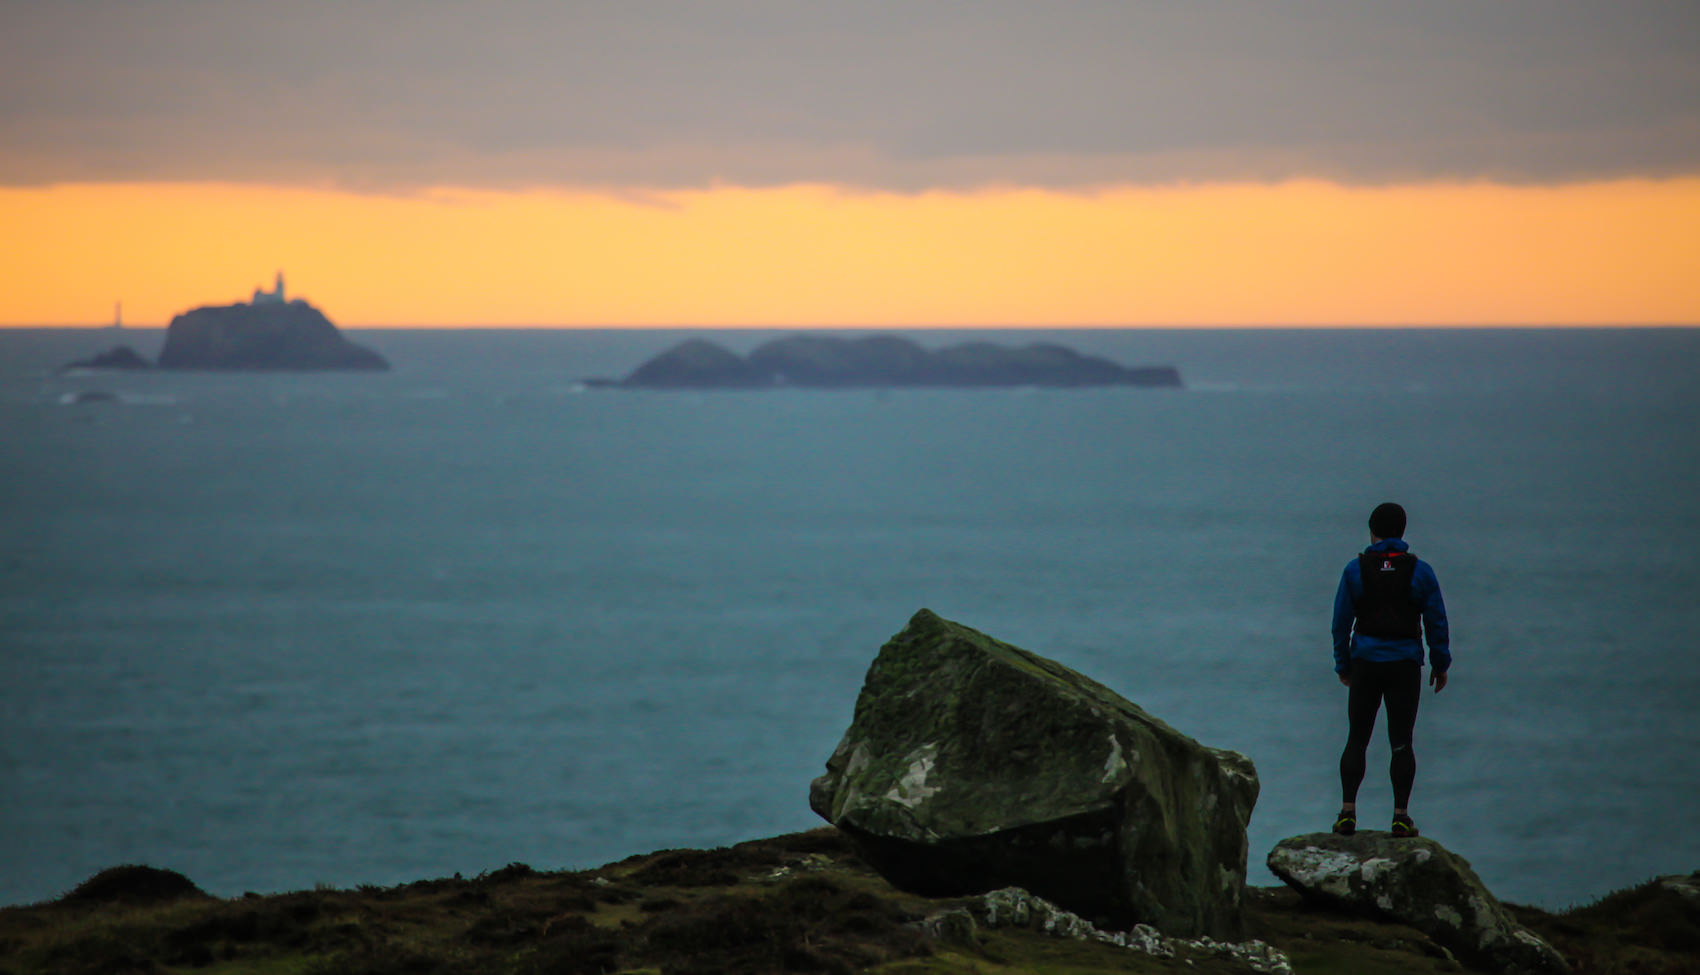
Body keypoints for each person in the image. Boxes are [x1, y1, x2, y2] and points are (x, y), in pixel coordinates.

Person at [1330, 502, 1450, 838]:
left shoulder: (1356, 570)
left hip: (1365, 663)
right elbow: (1436, 621)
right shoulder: (1420, 571)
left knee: (1357, 739)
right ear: (1402, 532)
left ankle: (1347, 814)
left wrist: (1343, 664)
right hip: (1404, 665)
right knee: (1401, 743)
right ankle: (1400, 816)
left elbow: (1340, 623)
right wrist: (1440, 663)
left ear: (1372, 531)